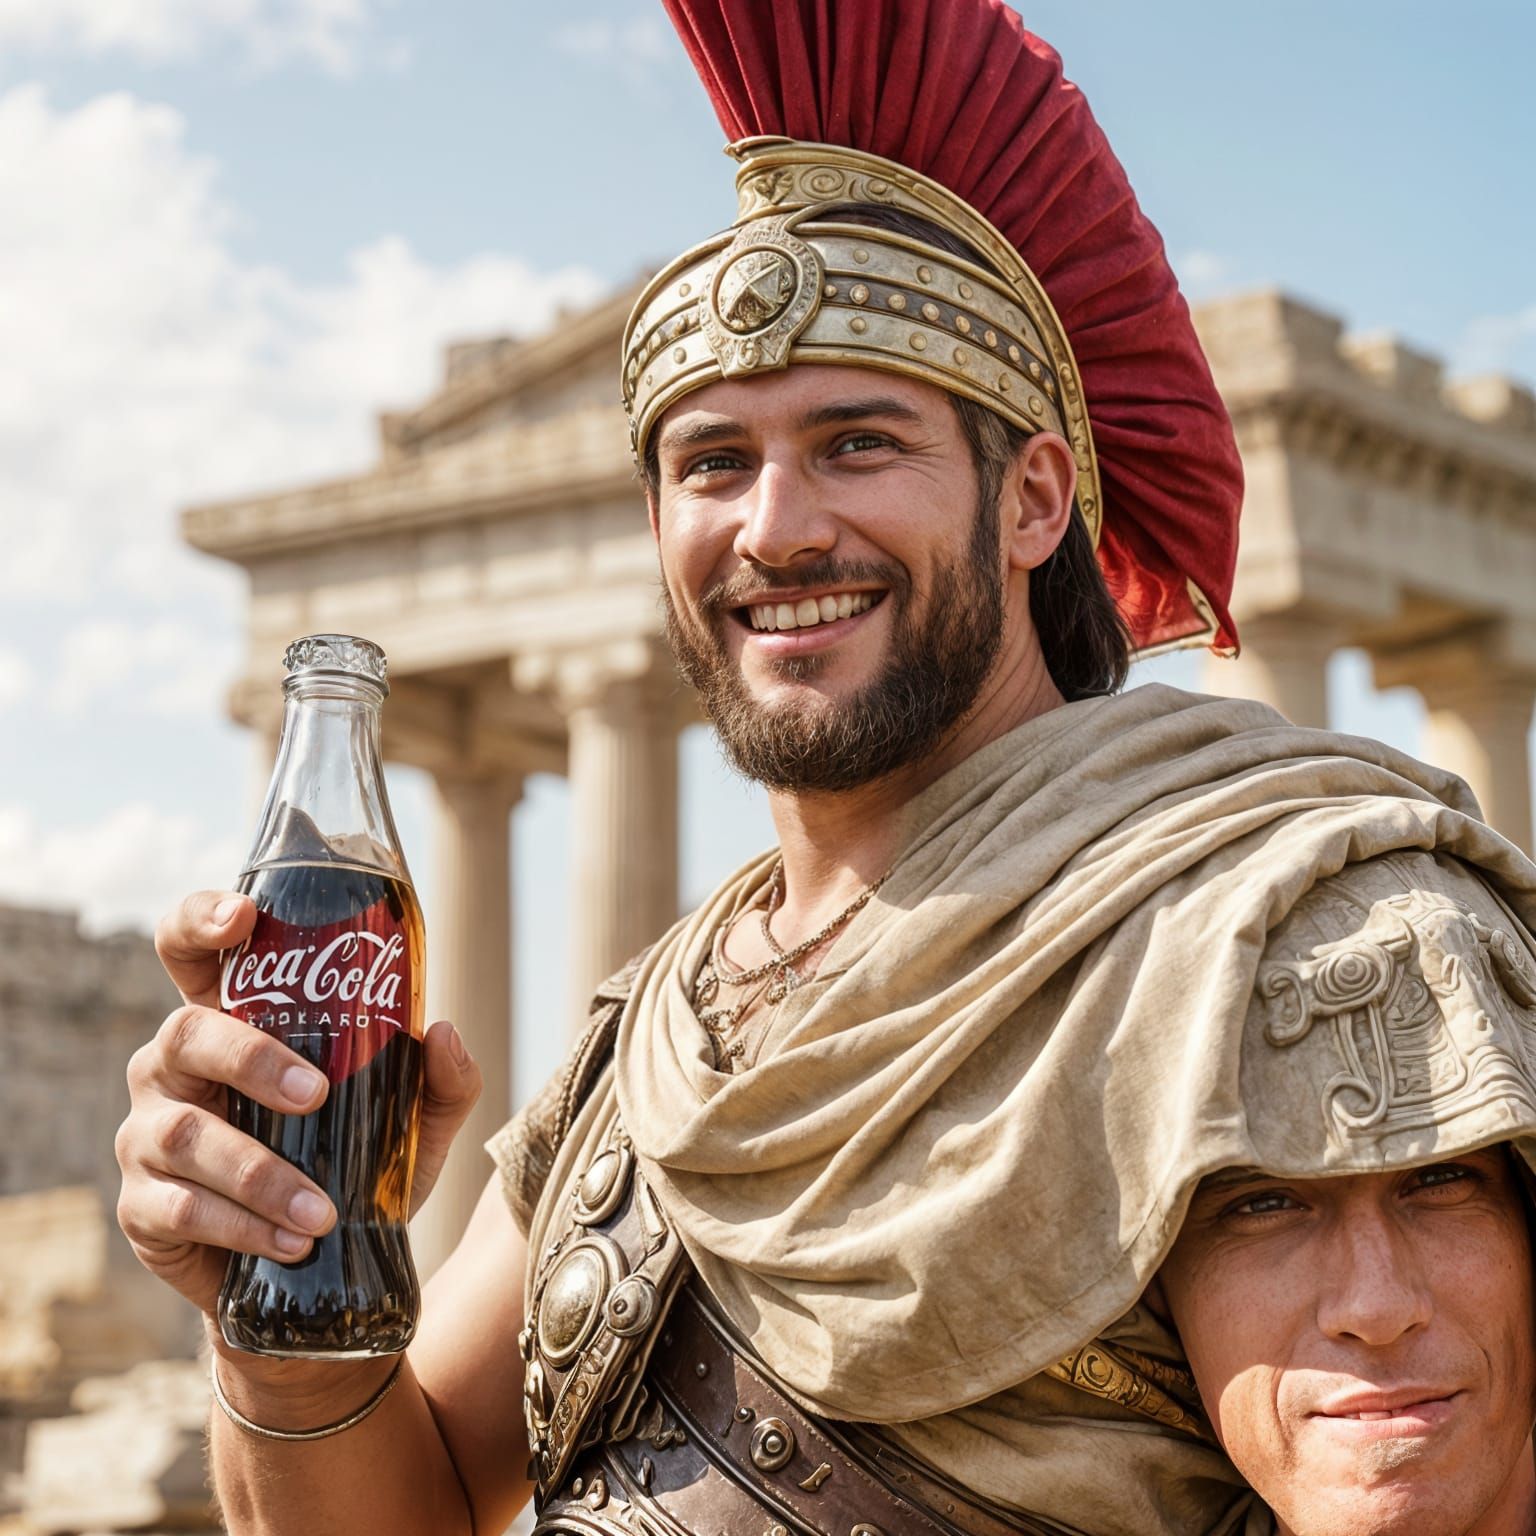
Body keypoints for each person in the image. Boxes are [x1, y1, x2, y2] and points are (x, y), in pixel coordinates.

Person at [111, 2, 1536, 1533]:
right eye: (714, 462)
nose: (777, 525)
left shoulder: (1296, 937)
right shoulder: (655, 1037)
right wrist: (274, 1285)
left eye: (860, 443)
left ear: (1035, 497)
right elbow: (403, 1511)